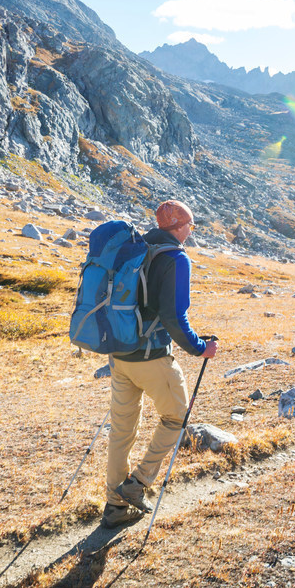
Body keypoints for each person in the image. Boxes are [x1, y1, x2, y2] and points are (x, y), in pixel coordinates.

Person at [102, 199, 219, 529]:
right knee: (177, 416)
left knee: (122, 432)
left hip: (120, 354)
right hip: (151, 357)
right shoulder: (176, 258)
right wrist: (200, 348)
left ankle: (114, 506)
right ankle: (137, 484)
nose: (190, 233)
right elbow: (173, 315)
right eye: (190, 227)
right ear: (180, 227)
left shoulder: (137, 249)